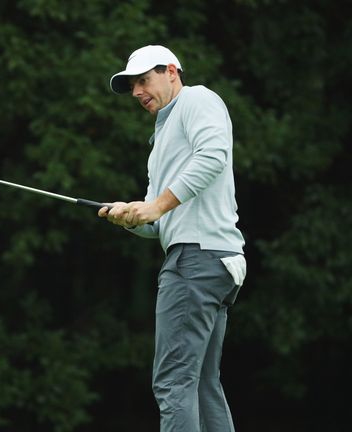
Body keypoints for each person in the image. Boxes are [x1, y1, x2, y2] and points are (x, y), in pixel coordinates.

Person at [98, 45, 247, 431]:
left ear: (171, 71)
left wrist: (157, 206)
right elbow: (158, 222)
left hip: (197, 261)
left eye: (143, 81)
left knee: (173, 382)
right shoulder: (161, 138)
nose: (136, 92)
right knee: (200, 385)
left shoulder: (197, 99)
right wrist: (131, 216)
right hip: (212, 260)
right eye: (132, 86)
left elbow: (213, 156)